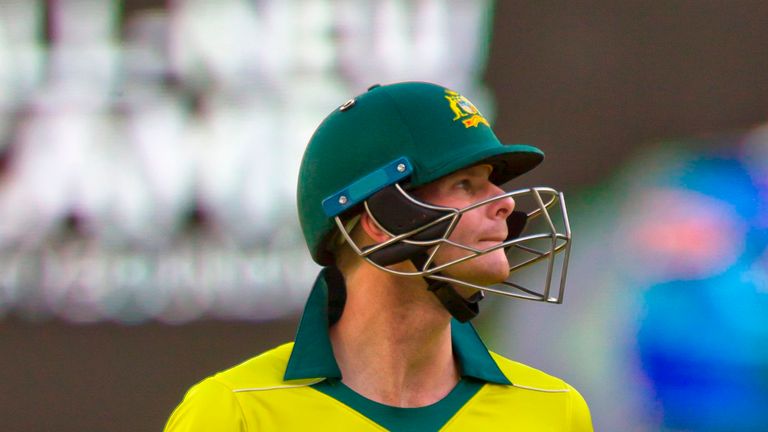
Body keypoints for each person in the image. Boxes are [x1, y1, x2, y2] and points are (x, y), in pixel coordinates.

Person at [164, 82, 593, 431]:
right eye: (465, 184)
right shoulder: (236, 413)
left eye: (492, 183)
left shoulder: (554, 412)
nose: (504, 203)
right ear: (378, 218)